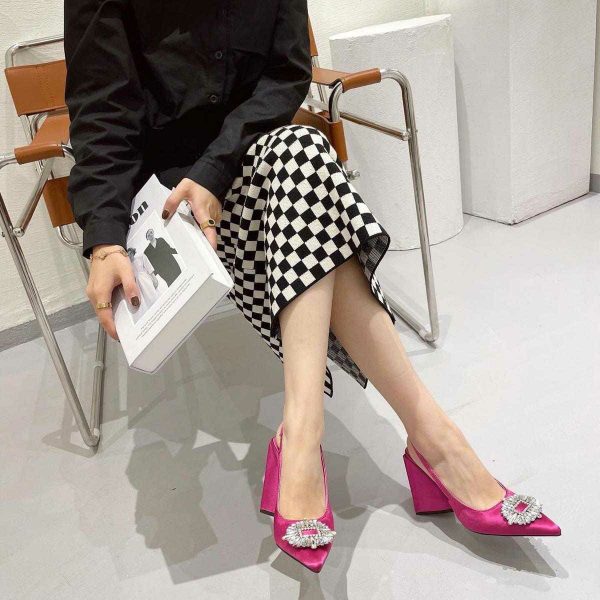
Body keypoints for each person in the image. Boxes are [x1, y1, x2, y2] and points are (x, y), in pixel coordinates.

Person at [64, 0, 560, 573]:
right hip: (170, 197)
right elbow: (102, 106)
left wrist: (218, 170)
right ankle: (434, 442)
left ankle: (301, 437)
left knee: (302, 151)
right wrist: (105, 239)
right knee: (314, 186)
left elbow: (287, 71)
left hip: (252, 157)